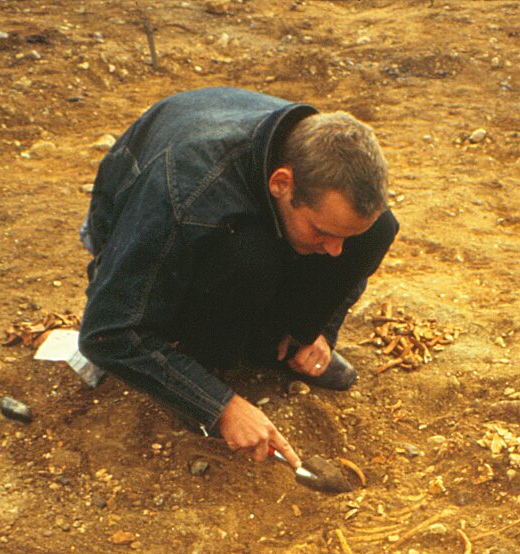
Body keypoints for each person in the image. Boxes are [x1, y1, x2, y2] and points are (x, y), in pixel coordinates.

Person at [78, 87, 399, 468]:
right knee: (249, 257)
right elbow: (107, 332)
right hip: (149, 232)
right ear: (282, 183)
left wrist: (322, 329)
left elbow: (342, 246)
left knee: (375, 232)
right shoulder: (183, 196)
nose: (333, 252)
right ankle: (199, 363)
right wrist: (220, 406)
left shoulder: (319, 170)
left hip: (246, 217)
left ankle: (284, 344)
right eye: (322, 232)